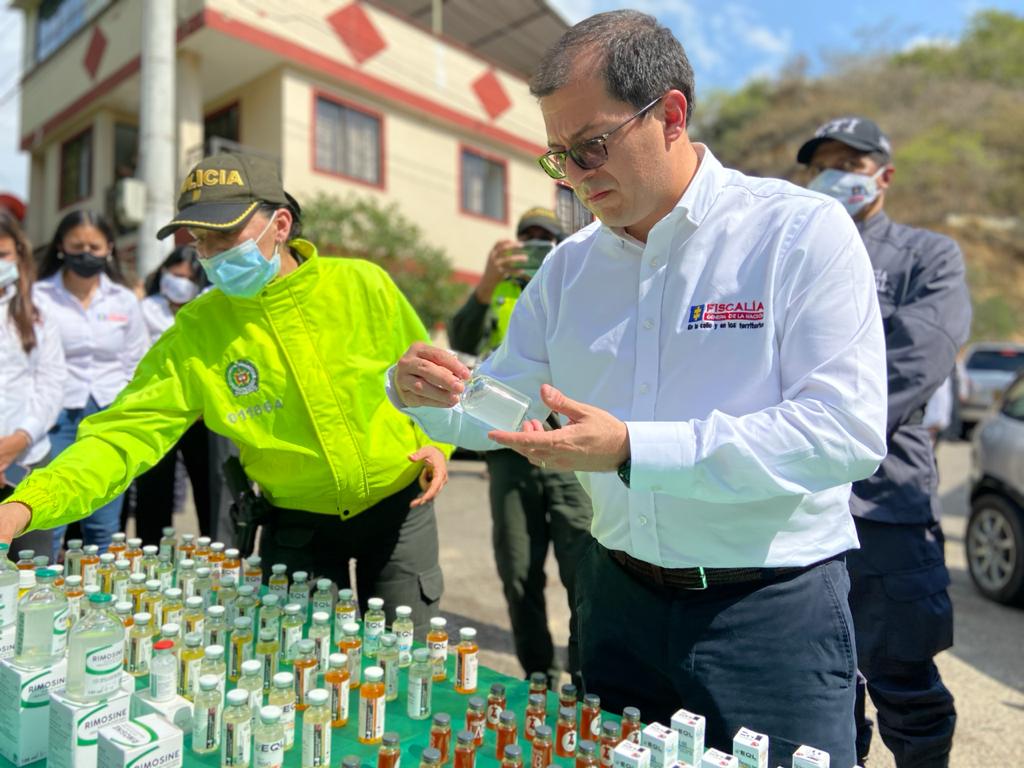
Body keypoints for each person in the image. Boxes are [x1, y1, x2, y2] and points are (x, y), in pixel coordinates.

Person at [388, 11, 888, 766]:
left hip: (768, 612)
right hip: (614, 599)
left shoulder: (796, 233)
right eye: (560, 158)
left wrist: (632, 448)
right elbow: (511, 406)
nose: (577, 177)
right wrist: (427, 394)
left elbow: (842, 432)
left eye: (592, 146)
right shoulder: (568, 269)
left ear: (671, 115)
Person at [0, 152, 451, 631]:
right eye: (200, 240)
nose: (210, 254)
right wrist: (27, 504)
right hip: (297, 531)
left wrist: (438, 445)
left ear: (280, 225)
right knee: (306, 662)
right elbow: (121, 435)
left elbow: (432, 378)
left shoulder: (362, 285)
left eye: (224, 235)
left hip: (401, 510)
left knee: (409, 656)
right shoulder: (198, 330)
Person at [798, 116, 970, 768]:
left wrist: (806, 425)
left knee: (905, 683)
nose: (834, 176)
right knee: (823, 689)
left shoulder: (928, 256)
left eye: (851, 164)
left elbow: (918, 356)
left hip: (885, 505)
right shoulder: (795, 255)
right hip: (804, 507)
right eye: (823, 165)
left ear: (885, 176)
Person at [448, 207, 593, 687]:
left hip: (567, 450)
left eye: (543, 239)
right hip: (509, 453)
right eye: (525, 238)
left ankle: (585, 677)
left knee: (583, 570)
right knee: (517, 570)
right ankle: (539, 676)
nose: (534, 246)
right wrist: (486, 285)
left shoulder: (575, 284)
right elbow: (461, 340)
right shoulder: (499, 294)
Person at [33, 210, 147, 558]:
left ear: (109, 248)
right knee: (49, 517)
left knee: (104, 521)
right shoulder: (38, 296)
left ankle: (102, 590)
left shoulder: (123, 299)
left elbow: (137, 359)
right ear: (61, 247)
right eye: (77, 246)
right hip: (55, 417)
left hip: (108, 414)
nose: (86, 253)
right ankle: (42, 587)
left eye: (94, 247)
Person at [131, 245, 213, 543]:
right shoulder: (145, 309)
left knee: (209, 489)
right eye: (175, 275)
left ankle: (215, 551)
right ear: (163, 273)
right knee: (153, 490)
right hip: (158, 413)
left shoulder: (210, 305)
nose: (180, 282)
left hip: (203, 415)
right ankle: (152, 553)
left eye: (188, 278)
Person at [0, 212, 67, 554]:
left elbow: (51, 382)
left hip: (28, 459)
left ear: (19, 254)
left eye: (3, 254)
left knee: (32, 567)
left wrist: (20, 438)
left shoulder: (37, 311)